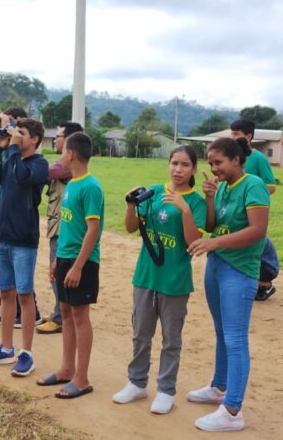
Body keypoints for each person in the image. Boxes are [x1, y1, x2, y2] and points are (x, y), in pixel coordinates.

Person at [113, 146, 206, 415]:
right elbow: (131, 228)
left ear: (194, 169)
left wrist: (185, 210)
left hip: (175, 281)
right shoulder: (153, 192)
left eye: (185, 165)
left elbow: (192, 242)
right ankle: (136, 382)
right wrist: (131, 204)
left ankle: (166, 390)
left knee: (171, 339)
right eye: (174, 163)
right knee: (141, 334)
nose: (178, 169)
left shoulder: (196, 202)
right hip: (145, 275)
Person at [185, 137, 269, 432]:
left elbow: (258, 230)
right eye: (210, 162)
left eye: (218, 162)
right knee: (221, 332)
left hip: (240, 270)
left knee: (235, 339)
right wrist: (210, 198)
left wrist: (216, 243)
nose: (214, 167)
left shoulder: (253, 185)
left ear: (236, 160)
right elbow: (210, 225)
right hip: (217, 266)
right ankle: (219, 387)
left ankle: (232, 410)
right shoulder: (222, 189)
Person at [0, 118, 49, 377]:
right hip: (3, 237)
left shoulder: (39, 164)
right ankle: (6, 348)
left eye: (22, 134)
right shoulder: (8, 161)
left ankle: (26, 353)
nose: (17, 137)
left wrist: (13, 149)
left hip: (24, 241)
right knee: (6, 293)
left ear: (35, 139)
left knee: (24, 296)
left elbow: (22, 176)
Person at [35, 132, 104, 400]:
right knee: (64, 311)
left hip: (82, 262)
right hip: (64, 258)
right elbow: (67, 225)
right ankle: (66, 368)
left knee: (79, 315)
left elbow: (93, 230)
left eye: (63, 151)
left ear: (72, 154)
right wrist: (57, 261)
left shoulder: (90, 186)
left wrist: (77, 266)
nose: (61, 155)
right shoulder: (71, 184)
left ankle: (82, 378)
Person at [37, 121, 81, 335]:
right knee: (58, 272)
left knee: (58, 272)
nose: (55, 138)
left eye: (60, 136)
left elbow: (47, 171)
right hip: (58, 226)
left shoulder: (65, 166)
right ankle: (58, 312)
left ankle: (60, 318)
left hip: (63, 228)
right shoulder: (63, 165)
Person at [229, 119, 280, 301]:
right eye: (232, 133)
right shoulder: (229, 156)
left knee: (255, 246)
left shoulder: (257, 158)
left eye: (237, 134)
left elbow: (271, 186)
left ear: (248, 136)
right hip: (232, 214)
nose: (233, 137)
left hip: (252, 215)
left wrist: (250, 196)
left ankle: (264, 282)